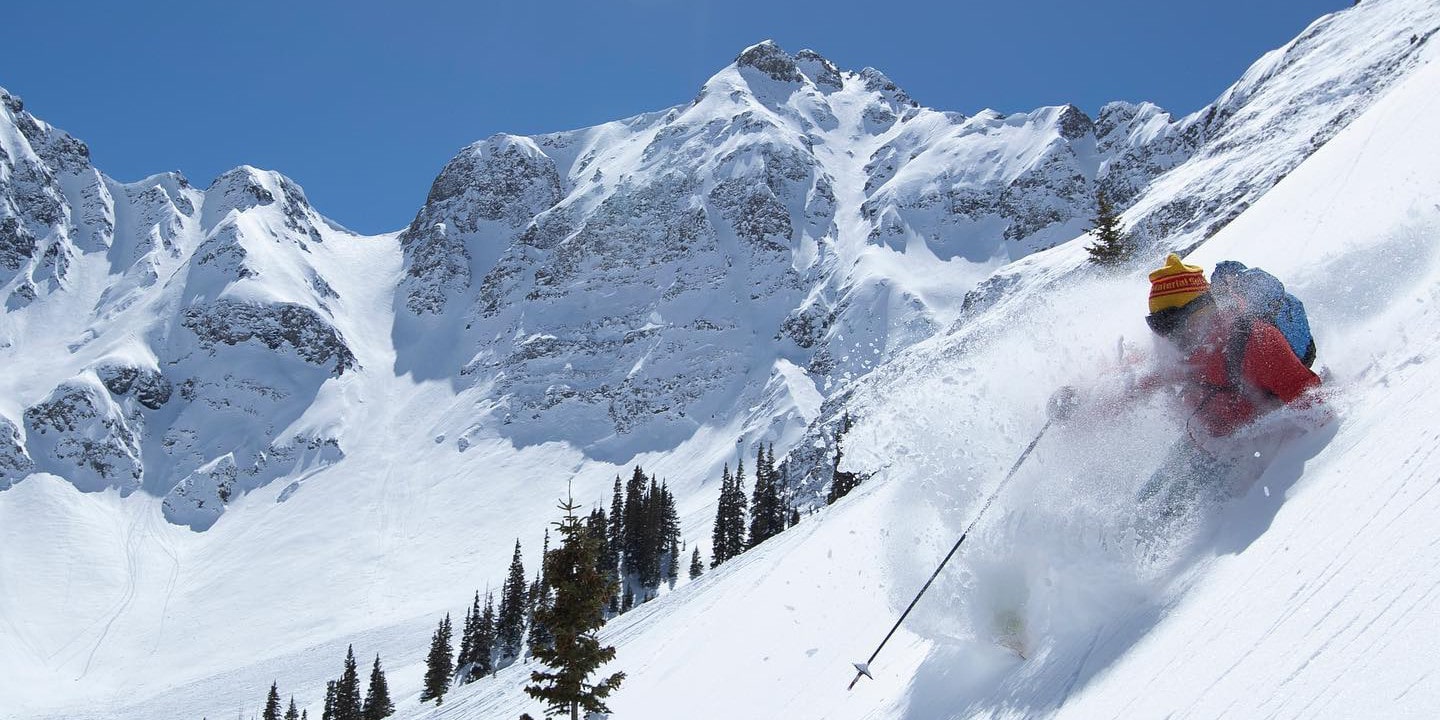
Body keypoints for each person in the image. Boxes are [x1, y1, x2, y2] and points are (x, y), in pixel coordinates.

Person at [1052, 253, 1324, 517]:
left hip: (1244, 453)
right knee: (1140, 513)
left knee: (1173, 520)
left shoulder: (1256, 343)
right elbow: (1131, 386)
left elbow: (1316, 407)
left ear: (1204, 310)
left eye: (1177, 322)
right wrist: (1080, 404)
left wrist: (1280, 460)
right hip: (1200, 444)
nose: (1170, 334)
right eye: (1159, 324)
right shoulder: (1176, 353)